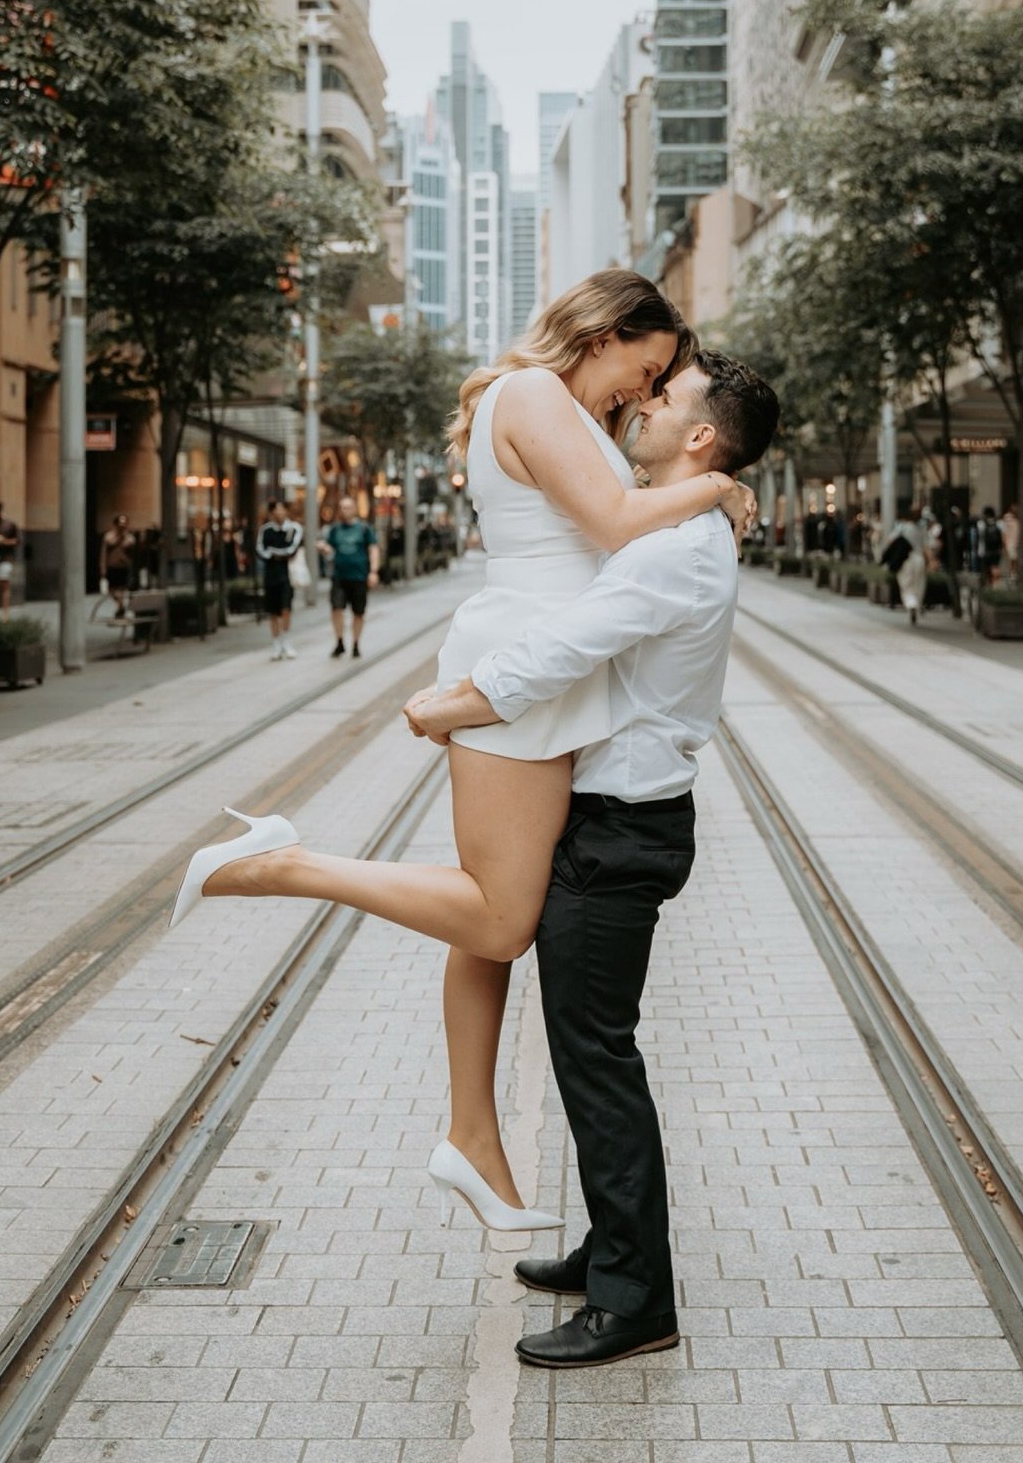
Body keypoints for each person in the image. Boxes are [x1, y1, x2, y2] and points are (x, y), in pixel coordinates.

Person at [173, 350, 779, 1369]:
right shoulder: (681, 520)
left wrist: (449, 701)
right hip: (622, 819)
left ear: (703, 437)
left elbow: (569, 644)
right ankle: (607, 1249)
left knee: (599, 1063)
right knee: (592, 1053)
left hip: (622, 827)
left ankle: (636, 1302)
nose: (646, 402)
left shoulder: (677, 548)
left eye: (666, 398)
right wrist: (722, 488)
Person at [320, 496, 380, 659]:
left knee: (358, 612)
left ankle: (355, 643)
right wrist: (324, 548)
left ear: (355, 509)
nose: (344, 510)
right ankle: (339, 641)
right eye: (342, 507)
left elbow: (373, 549)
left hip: (359, 577)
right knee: (336, 608)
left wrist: (373, 571)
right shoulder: (335, 529)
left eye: (347, 507)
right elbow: (329, 548)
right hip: (339, 576)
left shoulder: (364, 529)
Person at [257, 500, 303, 660]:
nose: (279, 513)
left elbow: (292, 549)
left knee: (286, 608)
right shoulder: (266, 530)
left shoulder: (293, 528)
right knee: (273, 611)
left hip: (287, 575)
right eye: (276, 510)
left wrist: (275, 553)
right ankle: (276, 643)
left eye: (282, 510)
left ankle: (286, 641)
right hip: (270, 575)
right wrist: (276, 554)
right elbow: (261, 550)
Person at [882, 508, 928, 625]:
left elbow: (889, 541)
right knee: (919, 584)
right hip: (919, 559)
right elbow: (927, 547)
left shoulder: (902, 527)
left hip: (905, 560)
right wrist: (932, 561)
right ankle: (917, 605)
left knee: (906, 585)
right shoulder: (922, 529)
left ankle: (911, 603)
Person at [0, 501, 19, 617]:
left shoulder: (9, 525)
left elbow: (16, 541)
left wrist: (3, 541)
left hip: (5, 558)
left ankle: (6, 613)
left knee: (4, 585)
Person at [100, 514, 135, 618]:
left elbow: (133, 553)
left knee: (122, 588)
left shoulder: (129, 539)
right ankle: (121, 606)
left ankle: (120, 608)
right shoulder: (108, 537)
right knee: (112, 589)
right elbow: (103, 554)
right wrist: (103, 567)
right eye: (120, 524)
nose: (122, 527)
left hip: (124, 567)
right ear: (116, 525)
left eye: (124, 524)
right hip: (112, 566)